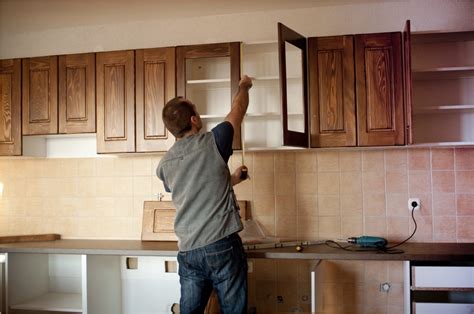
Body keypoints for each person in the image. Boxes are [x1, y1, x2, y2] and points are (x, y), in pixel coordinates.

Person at [156, 75, 253, 314]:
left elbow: (194, 189)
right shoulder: (215, 141)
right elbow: (238, 109)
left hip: (188, 251)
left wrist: (231, 180)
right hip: (222, 246)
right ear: (194, 120)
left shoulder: (164, 165)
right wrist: (244, 86)